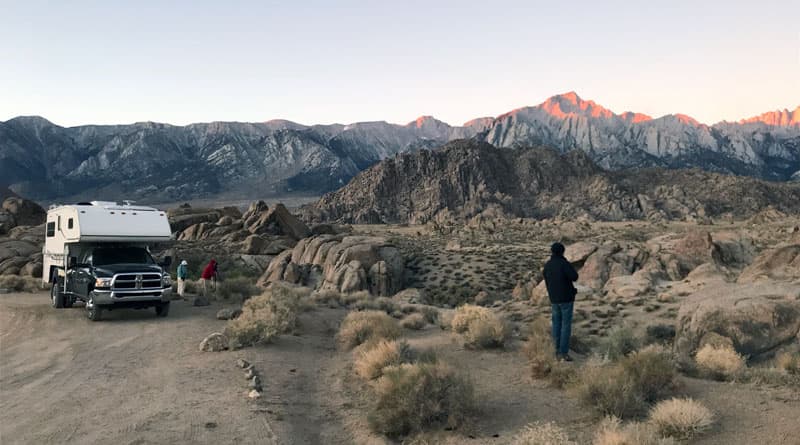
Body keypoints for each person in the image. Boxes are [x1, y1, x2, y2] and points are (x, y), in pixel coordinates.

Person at [542, 242, 579, 361]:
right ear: (562, 251)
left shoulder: (548, 265)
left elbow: (546, 280)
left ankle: (554, 350)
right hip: (566, 298)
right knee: (565, 325)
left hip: (554, 298)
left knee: (556, 324)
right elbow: (574, 276)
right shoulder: (564, 263)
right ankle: (563, 353)